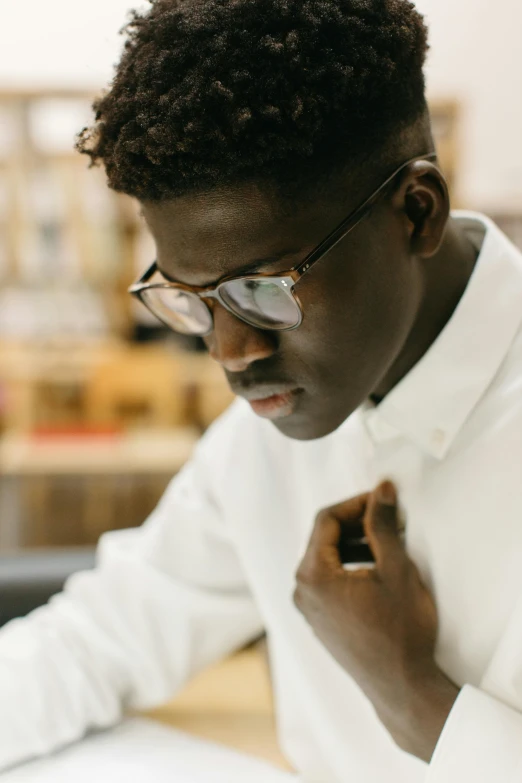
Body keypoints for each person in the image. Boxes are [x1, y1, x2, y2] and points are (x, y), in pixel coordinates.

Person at [1, 0, 522, 779]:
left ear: (417, 213)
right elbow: (95, 641)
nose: (232, 353)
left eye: (265, 289)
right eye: (191, 298)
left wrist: (415, 696)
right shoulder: (268, 431)